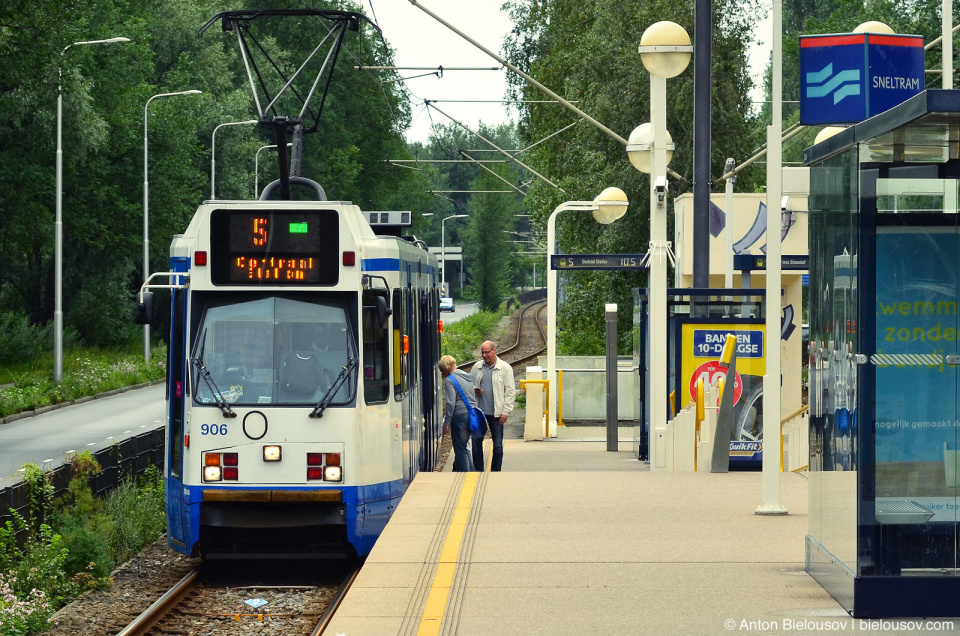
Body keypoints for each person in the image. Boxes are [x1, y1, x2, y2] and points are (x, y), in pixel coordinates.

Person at [470, 341, 515, 471]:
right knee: (476, 443)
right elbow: (470, 385)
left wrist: (506, 412)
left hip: (497, 413)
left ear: (494, 351)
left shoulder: (505, 368)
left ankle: (495, 472)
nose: (484, 355)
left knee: (498, 446)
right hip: (479, 413)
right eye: (482, 353)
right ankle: (478, 471)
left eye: (487, 352)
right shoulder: (477, 367)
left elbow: (510, 391)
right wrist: (475, 390)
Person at [439, 355, 477, 472]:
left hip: (459, 417)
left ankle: (465, 476)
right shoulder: (467, 376)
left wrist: (447, 422)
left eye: (442, 371)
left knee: (460, 450)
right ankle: (472, 474)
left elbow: (451, 403)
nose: (443, 374)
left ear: (446, 368)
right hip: (472, 415)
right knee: (465, 448)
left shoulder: (450, 380)